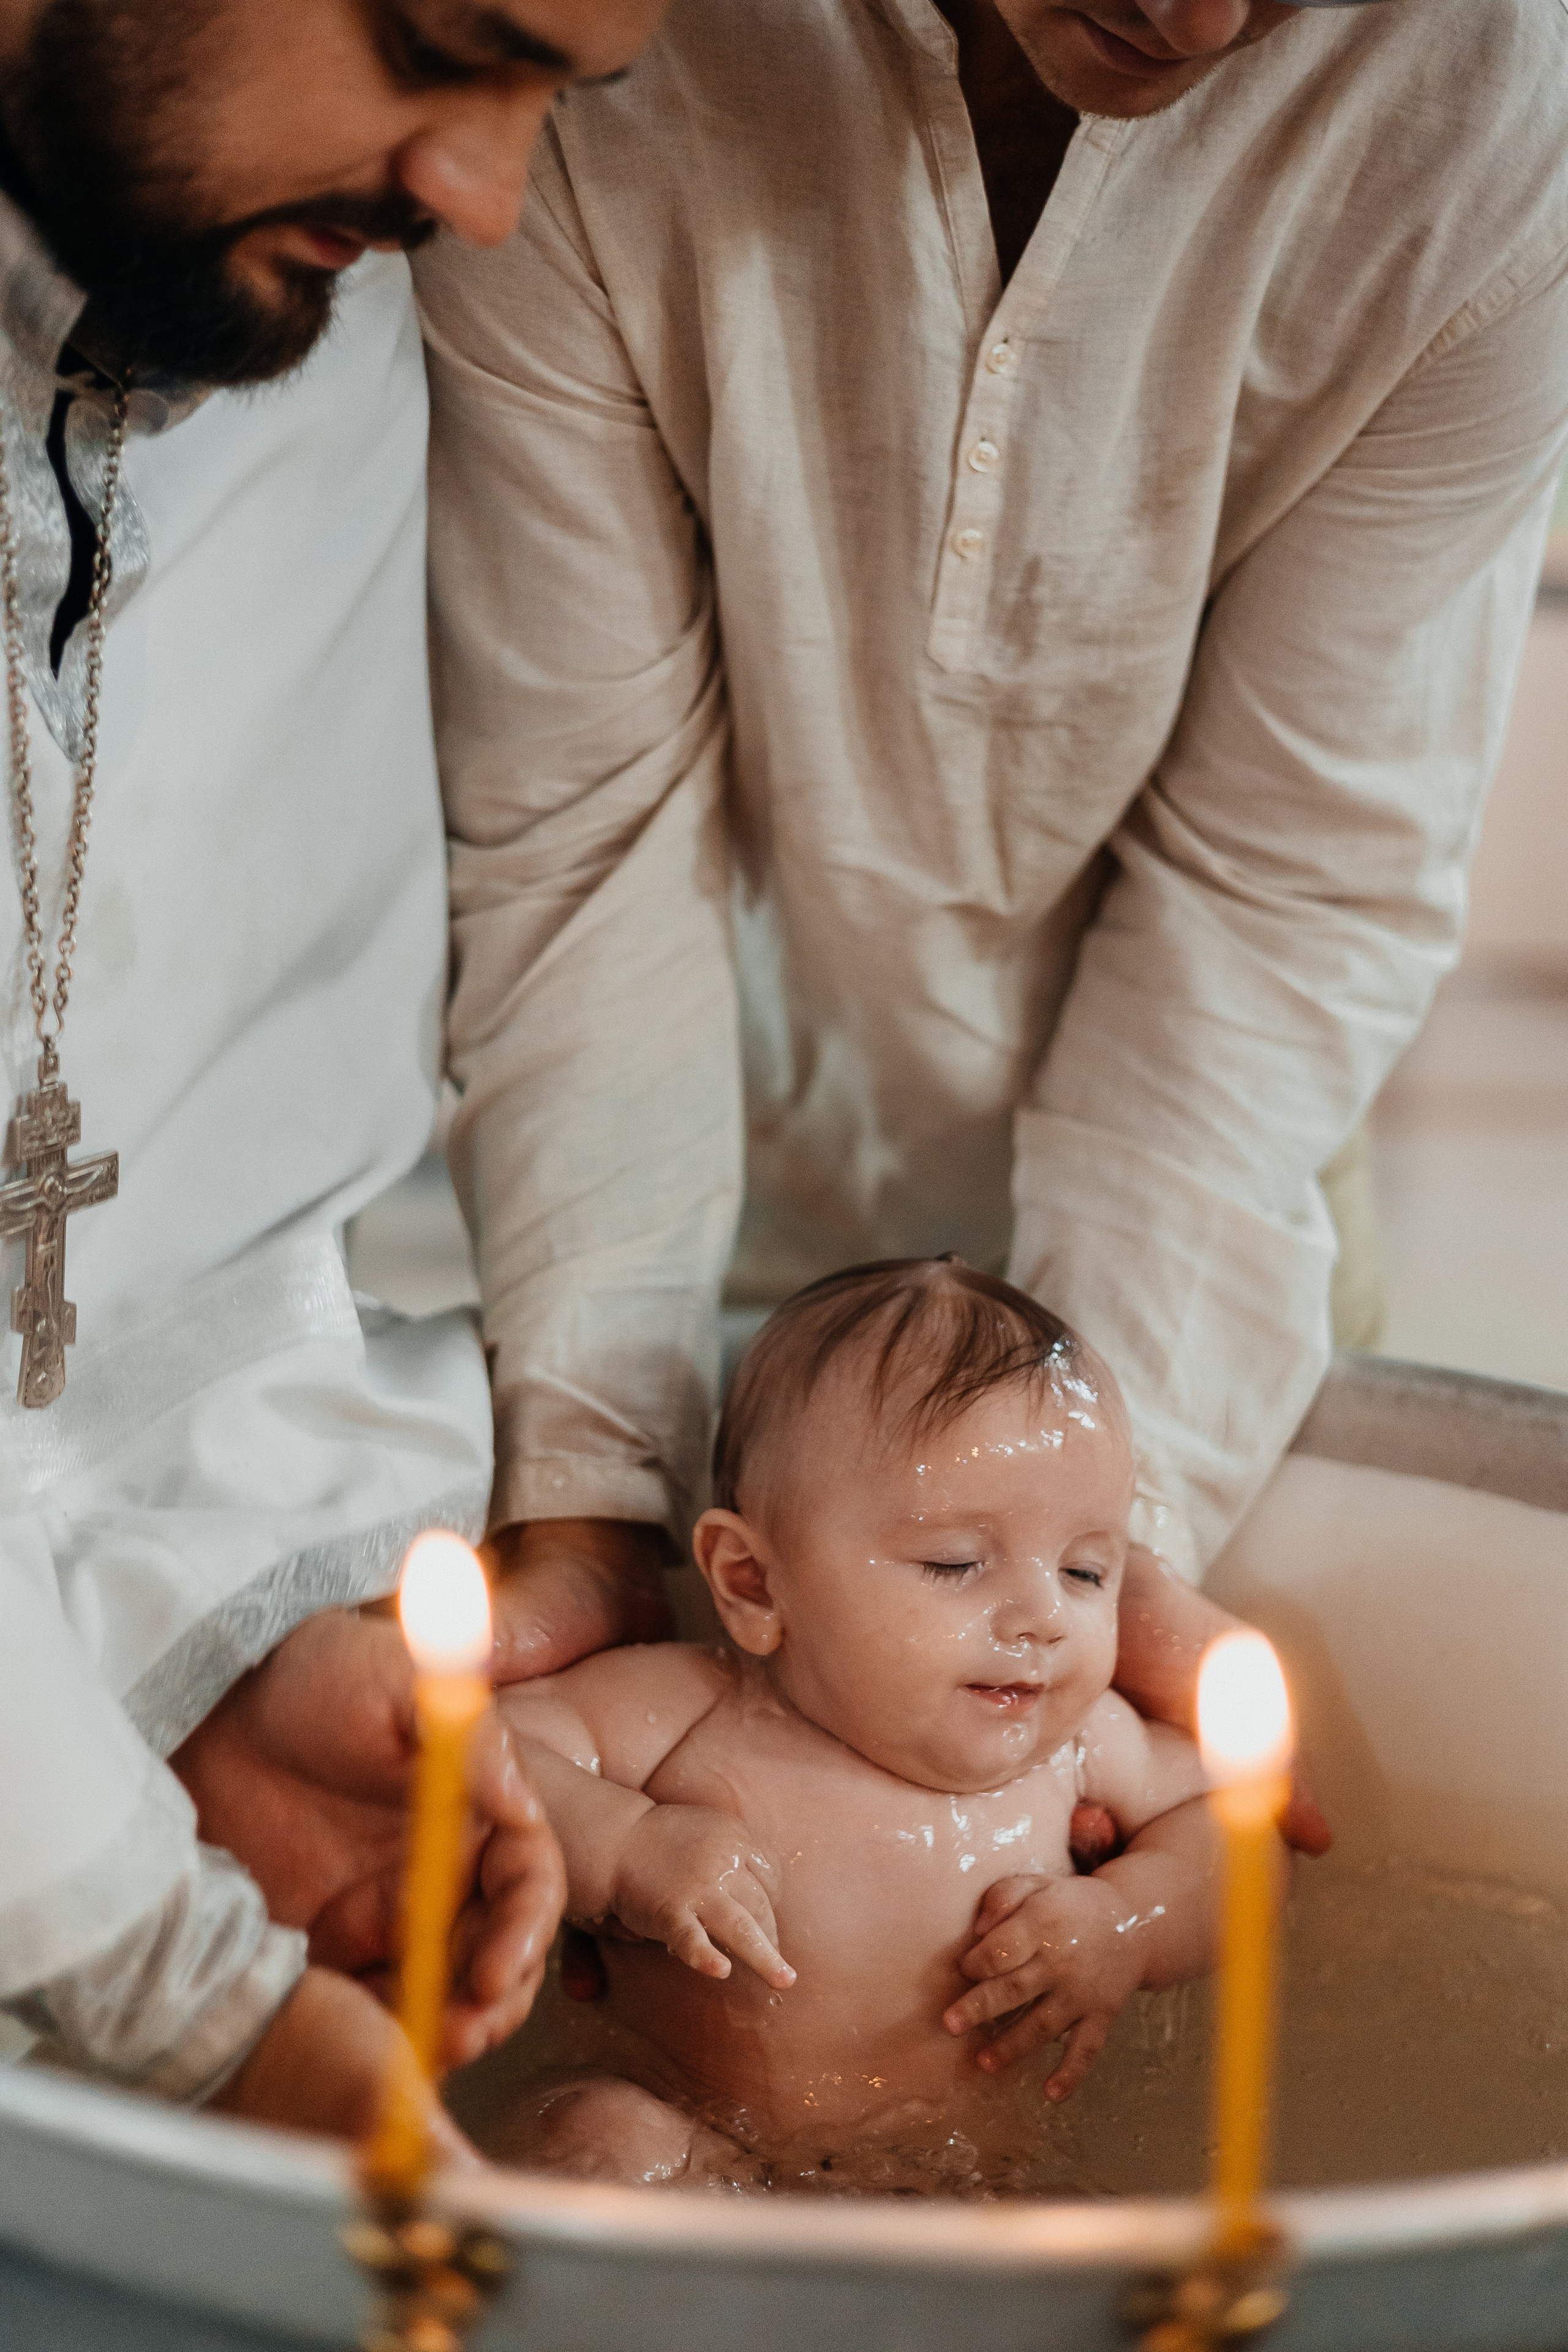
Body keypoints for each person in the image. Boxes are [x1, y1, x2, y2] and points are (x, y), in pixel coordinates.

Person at [414, 0, 1568, 1769]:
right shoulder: (595, 41)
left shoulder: (1495, 113)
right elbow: (584, 822)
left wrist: (1111, 1528)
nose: (1195, 16)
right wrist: (590, 1483)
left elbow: (1284, 889)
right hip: (679, 1168)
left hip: (1196, 1219)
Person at [0, 0, 669, 2145]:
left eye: (557, 95)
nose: (489, 195)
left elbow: (186, 1252)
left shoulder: (305, 315)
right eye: (436, 40)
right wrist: (200, 2003)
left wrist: (231, 1646)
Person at [491, 1258, 1238, 2191]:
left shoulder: (1086, 1746)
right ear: (752, 1583)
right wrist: (620, 1846)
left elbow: (1240, 1832)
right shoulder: (691, 1712)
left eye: (1086, 1570)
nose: (1043, 1617)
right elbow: (482, 1748)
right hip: (692, 2146)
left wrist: (1130, 1919)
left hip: (967, 2190)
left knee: (1097, 2248)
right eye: (956, 1563)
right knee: (605, 2140)